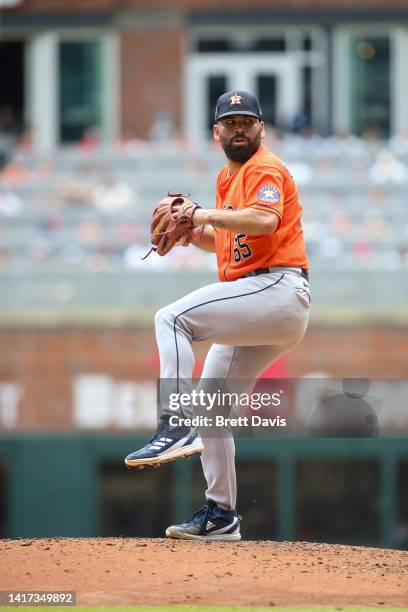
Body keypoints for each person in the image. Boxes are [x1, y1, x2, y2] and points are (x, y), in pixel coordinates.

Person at [125, 90, 310, 541]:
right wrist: (192, 233)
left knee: (172, 319)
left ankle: (174, 422)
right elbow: (230, 238)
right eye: (231, 122)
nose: (239, 128)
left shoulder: (264, 167)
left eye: (248, 121)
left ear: (261, 128)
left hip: (277, 288)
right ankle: (221, 515)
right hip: (261, 302)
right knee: (213, 406)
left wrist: (201, 213)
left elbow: (265, 221)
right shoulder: (229, 178)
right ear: (217, 132)